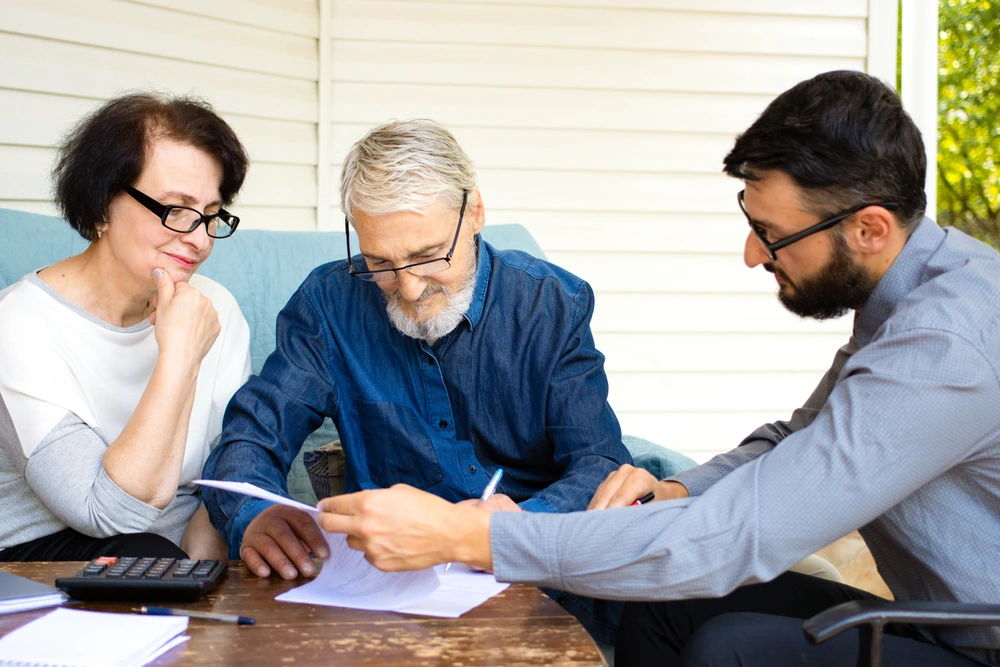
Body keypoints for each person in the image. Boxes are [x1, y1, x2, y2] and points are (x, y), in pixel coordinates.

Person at [314, 70, 1000, 667]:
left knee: (729, 649)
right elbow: (798, 438)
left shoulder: (944, 346)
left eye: (771, 234)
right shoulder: (907, 296)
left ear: (869, 229)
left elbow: (737, 537)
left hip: (977, 642)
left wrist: (469, 536)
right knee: (660, 607)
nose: (752, 254)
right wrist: (676, 490)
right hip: (937, 621)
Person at [201, 118, 632, 642]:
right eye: (380, 262)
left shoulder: (551, 303)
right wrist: (254, 512)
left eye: (427, 256)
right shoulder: (328, 304)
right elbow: (250, 434)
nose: (407, 289)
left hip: (532, 575)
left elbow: (600, 463)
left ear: (475, 212)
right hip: (389, 592)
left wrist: (509, 530)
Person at [0, 93, 251, 562]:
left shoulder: (214, 306)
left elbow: (232, 459)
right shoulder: (19, 325)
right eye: (175, 209)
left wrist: (212, 523)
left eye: (211, 215)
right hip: (38, 560)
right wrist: (180, 357)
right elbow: (105, 512)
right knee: (146, 550)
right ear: (102, 205)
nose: (200, 239)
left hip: (172, 560)